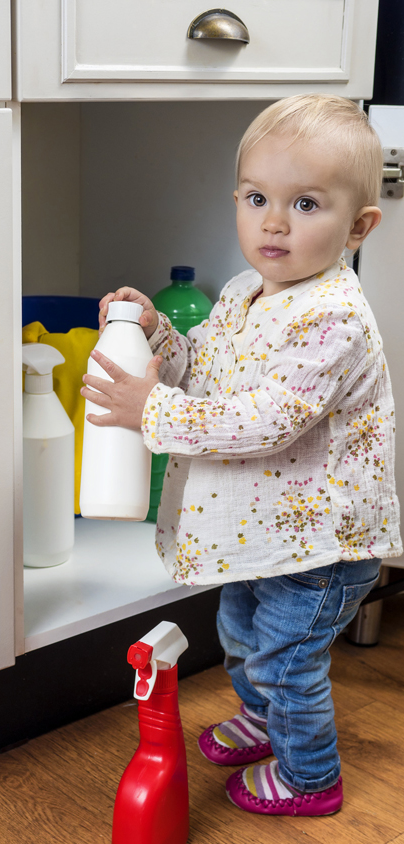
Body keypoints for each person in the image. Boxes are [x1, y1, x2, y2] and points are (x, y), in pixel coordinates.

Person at [80, 94, 402, 816]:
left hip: (320, 544)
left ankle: (310, 778)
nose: (274, 222)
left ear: (358, 227)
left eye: (305, 204)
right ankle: (264, 720)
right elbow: (203, 372)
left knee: (286, 660)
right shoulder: (241, 292)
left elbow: (266, 421)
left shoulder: (333, 318)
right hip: (264, 534)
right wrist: (157, 336)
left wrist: (151, 410)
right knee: (242, 634)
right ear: (237, 201)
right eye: (257, 198)